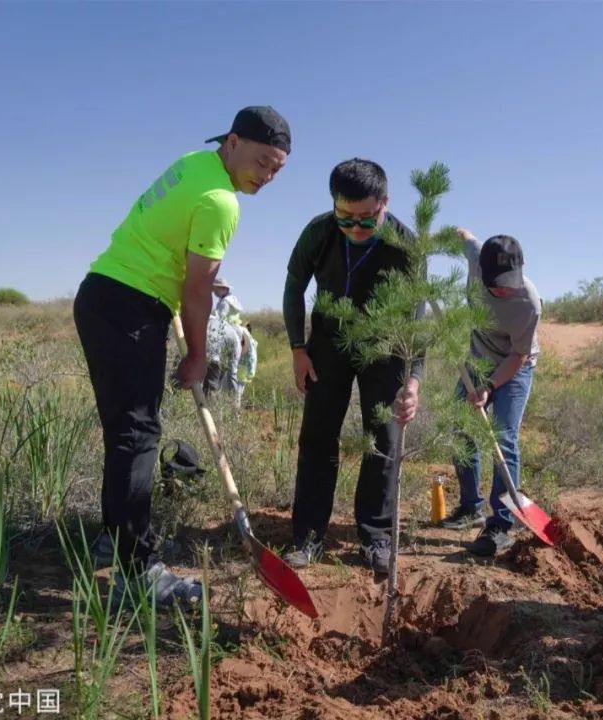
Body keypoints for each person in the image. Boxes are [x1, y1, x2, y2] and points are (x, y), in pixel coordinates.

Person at [73, 106, 290, 605]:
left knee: (127, 430)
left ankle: (118, 537)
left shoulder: (194, 163)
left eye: (277, 169)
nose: (268, 176)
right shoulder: (220, 201)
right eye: (262, 162)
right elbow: (197, 289)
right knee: (138, 433)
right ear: (233, 142)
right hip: (130, 306)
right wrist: (197, 355)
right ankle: (136, 569)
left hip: (104, 295)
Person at [281, 158, 420, 574]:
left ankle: (376, 536)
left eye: (366, 218)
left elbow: (417, 316)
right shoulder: (318, 232)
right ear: (333, 205)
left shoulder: (405, 244)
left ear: (385, 203)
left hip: (385, 349)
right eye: (346, 218)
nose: (356, 228)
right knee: (318, 438)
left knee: (383, 441)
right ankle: (307, 537)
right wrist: (297, 348)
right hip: (328, 345)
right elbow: (293, 287)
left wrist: (414, 378)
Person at [440, 230, 542, 557]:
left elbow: (518, 356)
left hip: (515, 366)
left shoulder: (528, 302)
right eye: (496, 282)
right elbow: (461, 235)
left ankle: (500, 524)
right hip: (476, 360)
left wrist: (490, 386)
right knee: (461, 430)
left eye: (509, 281)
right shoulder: (476, 256)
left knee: (503, 436)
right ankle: (471, 505)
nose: (503, 288)